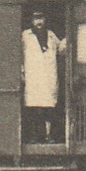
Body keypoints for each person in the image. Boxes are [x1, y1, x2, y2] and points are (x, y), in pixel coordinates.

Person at [22, 11, 67, 143]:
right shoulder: (25, 36)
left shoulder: (51, 35)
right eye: (36, 19)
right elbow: (17, 54)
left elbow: (61, 50)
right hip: (33, 77)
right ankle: (34, 137)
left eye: (41, 18)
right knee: (34, 108)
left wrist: (68, 37)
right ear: (31, 21)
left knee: (49, 107)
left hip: (48, 76)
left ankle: (49, 137)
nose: (39, 22)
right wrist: (21, 72)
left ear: (45, 19)